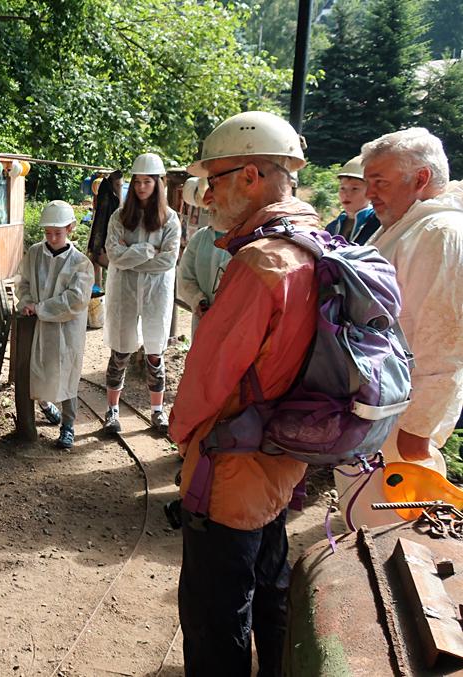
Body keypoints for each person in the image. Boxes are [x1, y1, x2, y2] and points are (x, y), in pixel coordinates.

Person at [169, 111, 320, 677]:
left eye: (215, 178)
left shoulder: (260, 264)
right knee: (270, 593)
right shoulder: (313, 246)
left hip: (228, 475)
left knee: (215, 616)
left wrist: (181, 437)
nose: (206, 195)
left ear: (252, 176)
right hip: (283, 459)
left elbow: (205, 383)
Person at [334, 128, 463, 528]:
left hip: (403, 417)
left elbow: (443, 340)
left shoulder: (437, 233)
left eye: (380, 182)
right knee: (371, 511)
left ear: (421, 179)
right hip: (383, 402)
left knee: (397, 522)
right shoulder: (406, 224)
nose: (371, 192)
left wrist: (417, 429)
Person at [102, 154, 180, 434]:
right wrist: (148, 250)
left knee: (155, 353)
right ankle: (112, 411)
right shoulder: (119, 217)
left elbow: (167, 261)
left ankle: (157, 412)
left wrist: (130, 254)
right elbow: (114, 255)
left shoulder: (170, 219)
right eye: (137, 181)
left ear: (158, 184)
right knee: (120, 351)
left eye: (148, 181)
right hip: (124, 292)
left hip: (156, 294)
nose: (142, 187)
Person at [17, 200, 93, 449]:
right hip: (39, 326)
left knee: (67, 374)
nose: (52, 238)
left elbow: (75, 300)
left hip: (67, 330)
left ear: (70, 228)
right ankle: (46, 405)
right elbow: (24, 283)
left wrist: (41, 308)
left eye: (57, 233)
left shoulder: (80, 263)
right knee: (39, 370)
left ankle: (68, 425)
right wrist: (27, 302)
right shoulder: (35, 253)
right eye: (48, 233)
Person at [176, 178, 231, 338]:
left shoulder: (249, 238)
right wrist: (198, 301)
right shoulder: (201, 238)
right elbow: (185, 278)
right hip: (203, 323)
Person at [324, 155, 381, 245]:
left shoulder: (379, 223)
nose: (346, 194)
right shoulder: (333, 227)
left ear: (371, 191)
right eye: (342, 188)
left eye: (354, 189)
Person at [86, 171, 123, 294]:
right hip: (102, 237)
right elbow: (101, 220)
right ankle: (96, 289)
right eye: (118, 185)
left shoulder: (114, 200)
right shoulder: (106, 196)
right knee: (95, 260)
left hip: (109, 239)